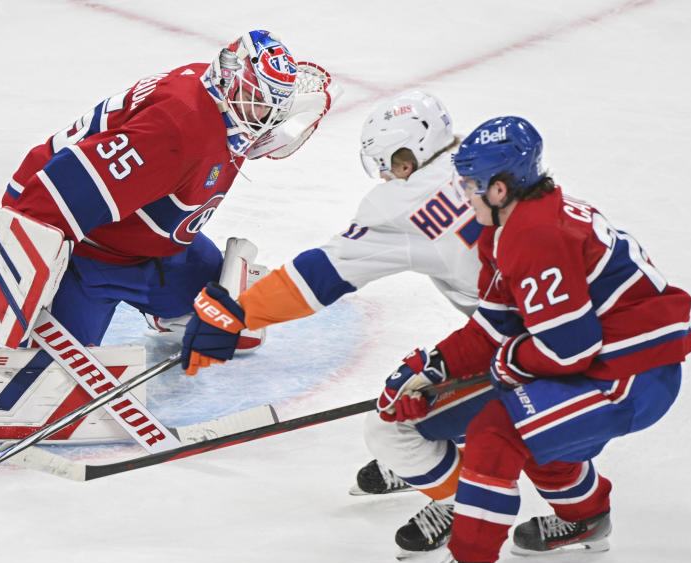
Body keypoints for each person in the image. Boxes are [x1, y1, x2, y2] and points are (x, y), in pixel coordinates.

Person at [372, 116, 691, 563]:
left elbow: (570, 349)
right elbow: (496, 325)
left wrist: (509, 363)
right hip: (612, 358)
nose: (463, 193)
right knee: (544, 440)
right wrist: (435, 366)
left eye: (470, 184)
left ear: (499, 189)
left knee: (498, 431)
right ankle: (587, 519)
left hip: (634, 372)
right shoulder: (507, 227)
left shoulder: (534, 234)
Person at [178, 90, 488, 523]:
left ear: (408, 155)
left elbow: (321, 275)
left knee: (395, 424)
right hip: (575, 308)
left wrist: (240, 313)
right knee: (452, 379)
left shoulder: (404, 204)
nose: (384, 178)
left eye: (387, 164)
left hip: (535, 341)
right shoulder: (484, 152)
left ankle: (467, 507)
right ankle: (435, 448)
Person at [0, 30, 329, 347]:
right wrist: (16, 265)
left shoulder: (219, 96)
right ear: (229, 78)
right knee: (57, 377)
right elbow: (66, 191)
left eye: (272, 110)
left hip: (146, 244)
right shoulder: (176, 131)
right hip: (80, 248)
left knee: (241, 326)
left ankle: (165, 309)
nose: (262, 120)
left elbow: (237, 138)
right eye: (256, 101)